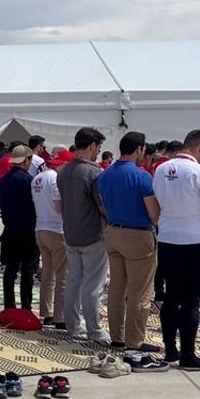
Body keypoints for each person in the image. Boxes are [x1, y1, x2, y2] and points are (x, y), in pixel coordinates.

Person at [152, 130, 200, 370]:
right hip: (195, 239)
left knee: (172, 295)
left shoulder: (161, 168)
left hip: (168, 237)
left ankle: (170, 349)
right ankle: (188, 354)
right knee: (192, 300)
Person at [96, 132, 161, 351]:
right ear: (140, 148)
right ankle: (135, 341)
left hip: (113, 231)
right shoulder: (142, 177)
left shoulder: (105, 175)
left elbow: (103, 205)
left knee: (117, 287)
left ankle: (117, 335)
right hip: (138, 234)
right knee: (139, 292)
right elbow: (154, 214)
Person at [57, 127, 110, 344]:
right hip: (92, 234)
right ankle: (95, 330)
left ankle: (72, 325)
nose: (98, 152)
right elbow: (102, 206)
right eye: (98, 147)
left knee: (74, 281)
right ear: (91, 146)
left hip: (71, 232)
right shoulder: (94, 172)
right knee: (93, 286)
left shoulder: (64, 171)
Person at [30, 149, 69, 328]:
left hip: (40, 228)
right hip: (56, 229)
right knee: (62, 275)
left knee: (47, 273)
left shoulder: (36, 179)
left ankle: (46, 312)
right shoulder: (55, 179)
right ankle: (60, 317)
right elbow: (59, 206)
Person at [0, 145, 37, 312]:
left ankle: (9, 305)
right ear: (27, 160)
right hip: (28, 230)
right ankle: (26, 306)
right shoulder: (29, 180)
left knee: (11, 269)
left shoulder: (4, 179)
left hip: (10, 229)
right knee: (28, 270)